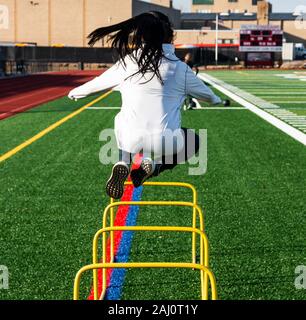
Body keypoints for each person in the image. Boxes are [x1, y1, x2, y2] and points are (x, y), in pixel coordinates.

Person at [68, 11, 226, 199]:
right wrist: (215, 100)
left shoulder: (127, 63)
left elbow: (96, 84)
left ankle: (123, 162)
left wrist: (74, 93)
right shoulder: (180, 68)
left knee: (128, 124)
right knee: (194, 140)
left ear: (141, 36)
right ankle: (155, 166)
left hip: (129, 138)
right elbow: (207, 95)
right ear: (170, 37)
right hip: (167, 142)